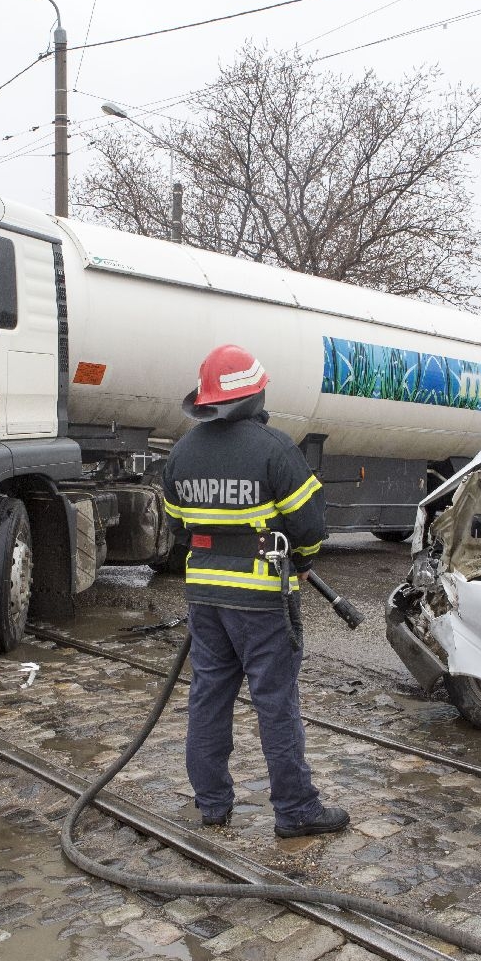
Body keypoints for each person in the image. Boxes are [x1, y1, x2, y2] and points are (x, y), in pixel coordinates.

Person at [162, 344, 350, 839]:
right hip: (264, 600)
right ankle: (296, 810)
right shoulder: (274, 448)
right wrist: (303, 561)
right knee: (275, 702)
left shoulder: (180, 452)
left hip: (204, 595)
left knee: (207, 697)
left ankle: (211, 805)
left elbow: (178, 522)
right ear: (254, 393)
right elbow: (310, 526)